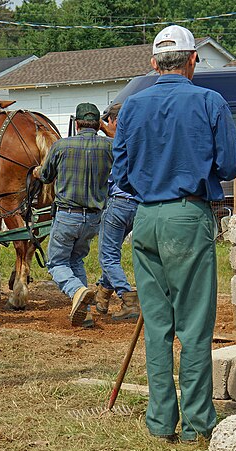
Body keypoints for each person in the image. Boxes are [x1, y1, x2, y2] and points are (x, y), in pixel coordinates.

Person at [112, 24, 236, 442]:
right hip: (187, 215)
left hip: (145, 218)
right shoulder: (209, 101)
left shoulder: (130, 106)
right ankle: (198, 424)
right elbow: (230, 165)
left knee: (157, 324)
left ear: (153, 63)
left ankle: (161, 422)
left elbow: (121, 172)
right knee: (193, 326)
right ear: (192, 60)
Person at [40, 103, 112, 327]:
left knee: (56, 263)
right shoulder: (110, 147)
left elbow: (45, 176)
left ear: (77, 123)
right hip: (93, 219)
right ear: (98, 124)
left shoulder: (62, 146)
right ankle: (85, 312)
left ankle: (77, 291)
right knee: (76, 260)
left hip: (67, 215)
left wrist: (35, 171)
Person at [94, 103, 140, 322]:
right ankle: (102, 294)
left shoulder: (115, 145)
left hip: (119, 203)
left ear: (114, 121)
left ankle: (127, 298)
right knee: (112, 253)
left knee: (108, 256)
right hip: (139, 205)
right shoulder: (143, 140)